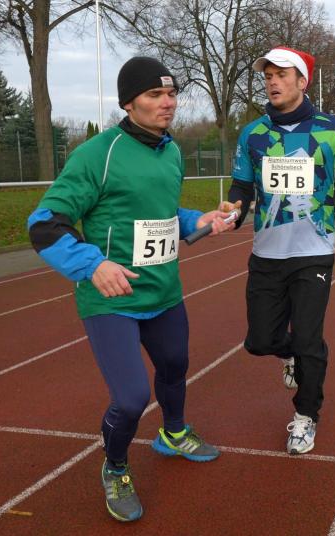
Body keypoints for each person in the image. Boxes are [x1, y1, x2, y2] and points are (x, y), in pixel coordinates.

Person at [27, 57, 236, 522]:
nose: (168, 103)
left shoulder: (171, 151)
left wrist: (197, 220)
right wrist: (93, 265)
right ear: (128, 103)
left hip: (164, 293)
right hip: (111, 300)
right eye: (155, 95)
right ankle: (116, 467)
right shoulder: (97, 155)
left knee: (176, 366)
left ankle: (173, 434)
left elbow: (161, 213)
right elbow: (44, 224)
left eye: (172, 94)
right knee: (130, 398)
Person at [227, 46, 335, 455]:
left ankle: (306, 416)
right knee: (259, 340)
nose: (272, 81)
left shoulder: (331, 128)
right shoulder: (253, 133)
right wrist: (232, 210)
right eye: (267, 75)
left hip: (314, 251)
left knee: (309, 339)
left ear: (302, 82)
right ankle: (292, 355)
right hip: (267, 253)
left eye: (281, 75)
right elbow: (241, 186)